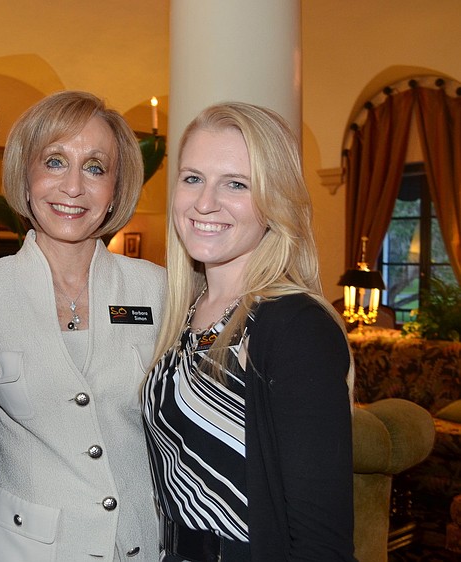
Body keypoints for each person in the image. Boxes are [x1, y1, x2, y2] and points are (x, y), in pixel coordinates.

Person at [0, 91, 164, 561]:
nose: (73, 187)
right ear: (25, 178)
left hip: (142, 545)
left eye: (94, 167)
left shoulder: (158, 292)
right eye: (54, 161)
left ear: (115, 189)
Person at [142, 102, 355, 561]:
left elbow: (323, 540)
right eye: (192, 178)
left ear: (273, 202)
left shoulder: (294, 327)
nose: (204, 203)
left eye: (236, 184)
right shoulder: (183, 313)